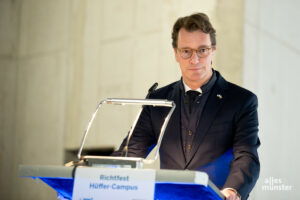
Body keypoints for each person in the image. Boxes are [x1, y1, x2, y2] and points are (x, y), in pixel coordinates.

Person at [113, 12, 260, 200]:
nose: (194, 60)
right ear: (176, 53)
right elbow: (131, 151)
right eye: (186, 51)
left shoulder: (242, 101)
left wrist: (232, 191)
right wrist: (91, 172)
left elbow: (246, 156)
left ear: (213, 50)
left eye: (202, 50)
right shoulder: (156, 100)